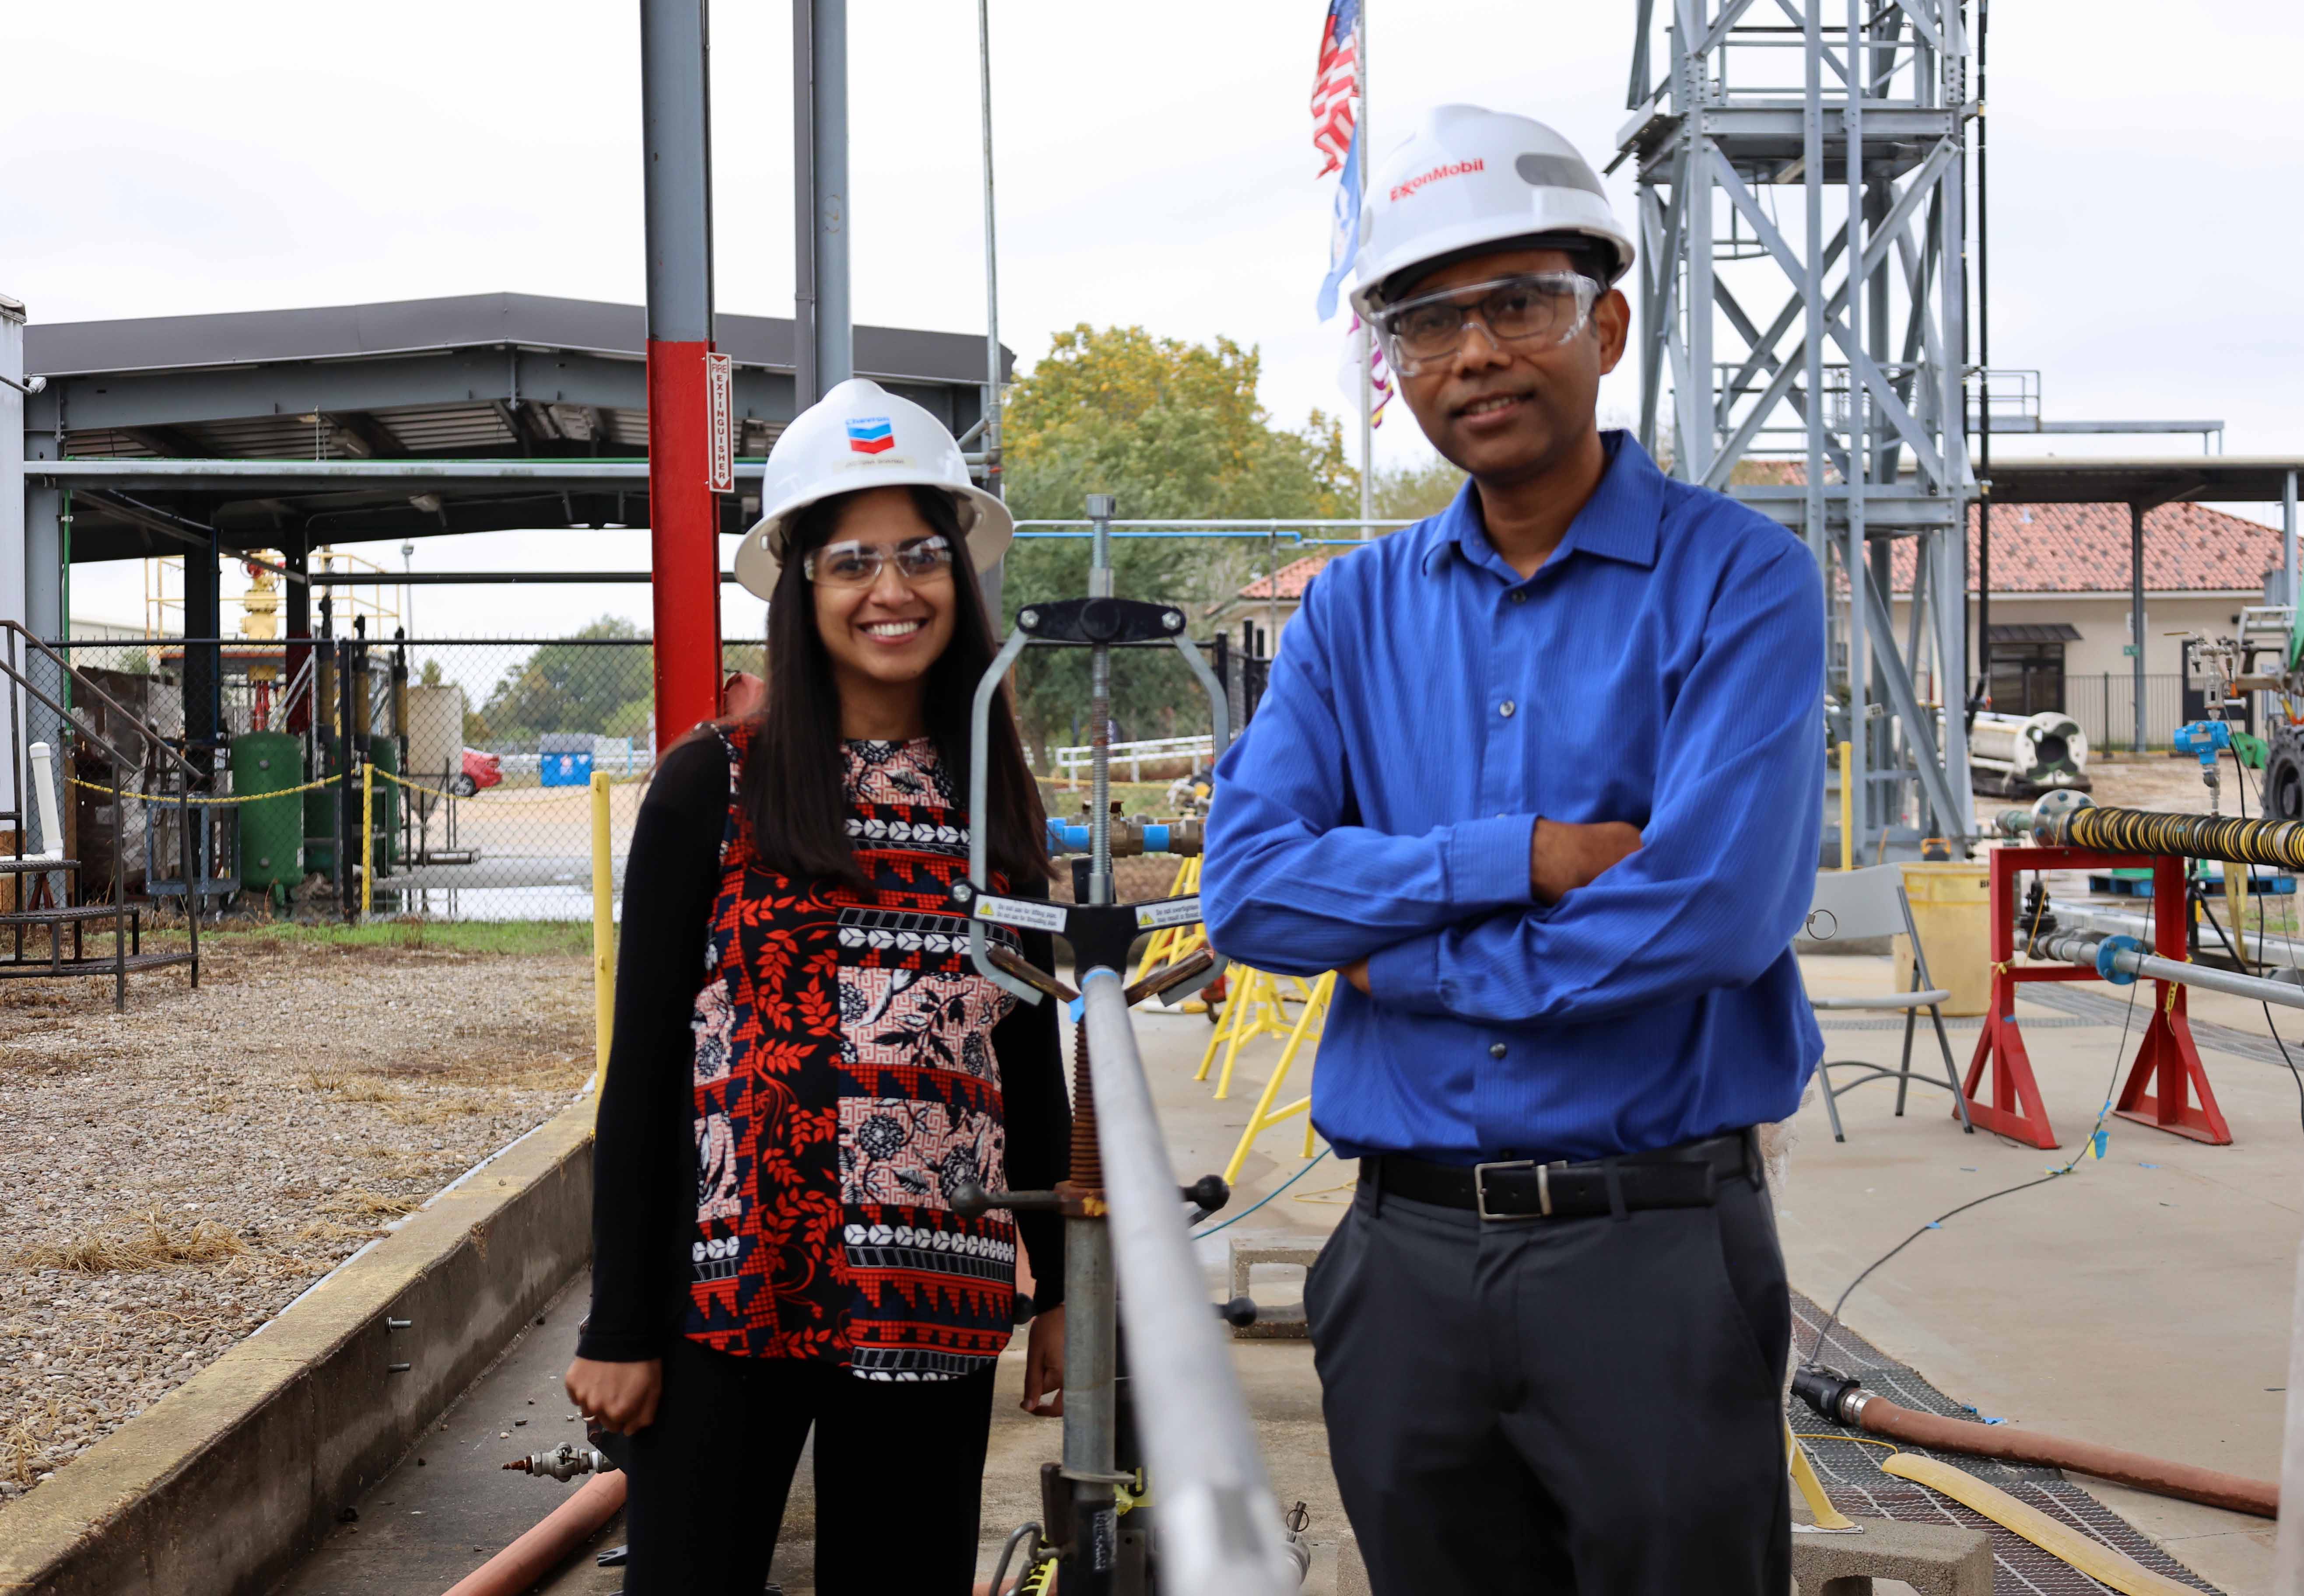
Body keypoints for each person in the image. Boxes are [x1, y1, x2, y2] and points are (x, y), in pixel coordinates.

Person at [1201, 105, 1825, 1596]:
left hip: (1652, 1263)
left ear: (1604, 325)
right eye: (1426, 323)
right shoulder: (1353, 613)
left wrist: (1395, 954)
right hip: (1402, 1266)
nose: (1473, 353)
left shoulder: (1741, 583)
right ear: (1393, 366)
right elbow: (1249, 893)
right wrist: (1519, 859)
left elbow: (1713, 915)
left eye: (1517, 305)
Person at [565, 378, 1071, 1594]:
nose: (890, 591)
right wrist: (621, 1325)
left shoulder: (992, 804)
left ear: (961, 574)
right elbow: (643, 1074)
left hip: (932, 1296)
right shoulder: (716, 787)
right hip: (726, 1303)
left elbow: (1027, 1062)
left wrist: (1063, 1293)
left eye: (918, 556)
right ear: (801, 585)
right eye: (852, 562)